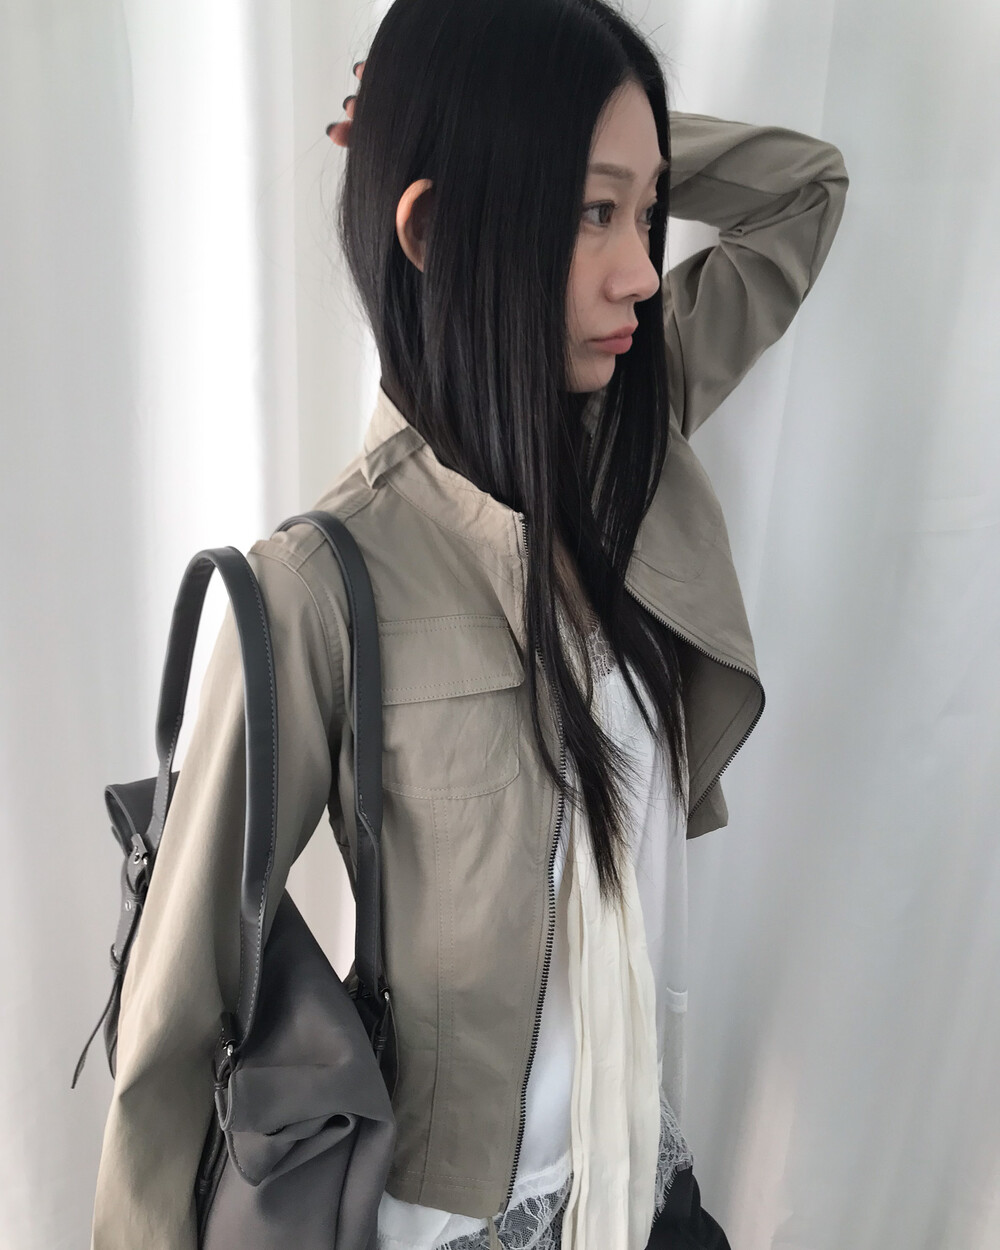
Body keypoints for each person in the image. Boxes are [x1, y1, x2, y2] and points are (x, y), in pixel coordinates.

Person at [88, 1, 848, 1247]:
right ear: (435, 230)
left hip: (645, 1177)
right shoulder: (317, 583)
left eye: (647, 213)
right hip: (461, 1222)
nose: (640, 271)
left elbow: (803, 192)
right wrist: (494, 146)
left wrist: (578, 142)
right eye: (591, 213)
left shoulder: (632, 438)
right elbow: (174, 1024)